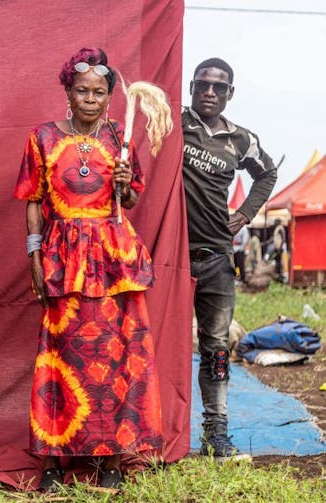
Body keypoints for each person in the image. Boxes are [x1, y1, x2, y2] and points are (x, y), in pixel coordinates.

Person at [14, 48, 163, 491]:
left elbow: (130, 201)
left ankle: (112, 460)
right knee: (60, 356)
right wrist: (34, 258)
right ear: (68, 91)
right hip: (63, 259)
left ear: (110, 96)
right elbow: (32, 204)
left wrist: (123, 185)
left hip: (112, 258)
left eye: (100, 92)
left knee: (115, 357)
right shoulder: (41, 137)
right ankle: (54, 464)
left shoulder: (120, 138)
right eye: (82, 90)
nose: (91, 99)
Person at [182, 58, 277, 459]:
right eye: (203, 84)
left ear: (230, 94)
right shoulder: (176, 124)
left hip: (217, 257)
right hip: (171, 256)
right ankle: (153, 429)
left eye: (219, 88)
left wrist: (245, 214)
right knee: (156, 341)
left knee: (216, 347)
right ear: (190, 87)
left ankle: (216, 434)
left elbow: (267, 174)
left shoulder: (240, 140)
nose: (209, 92)